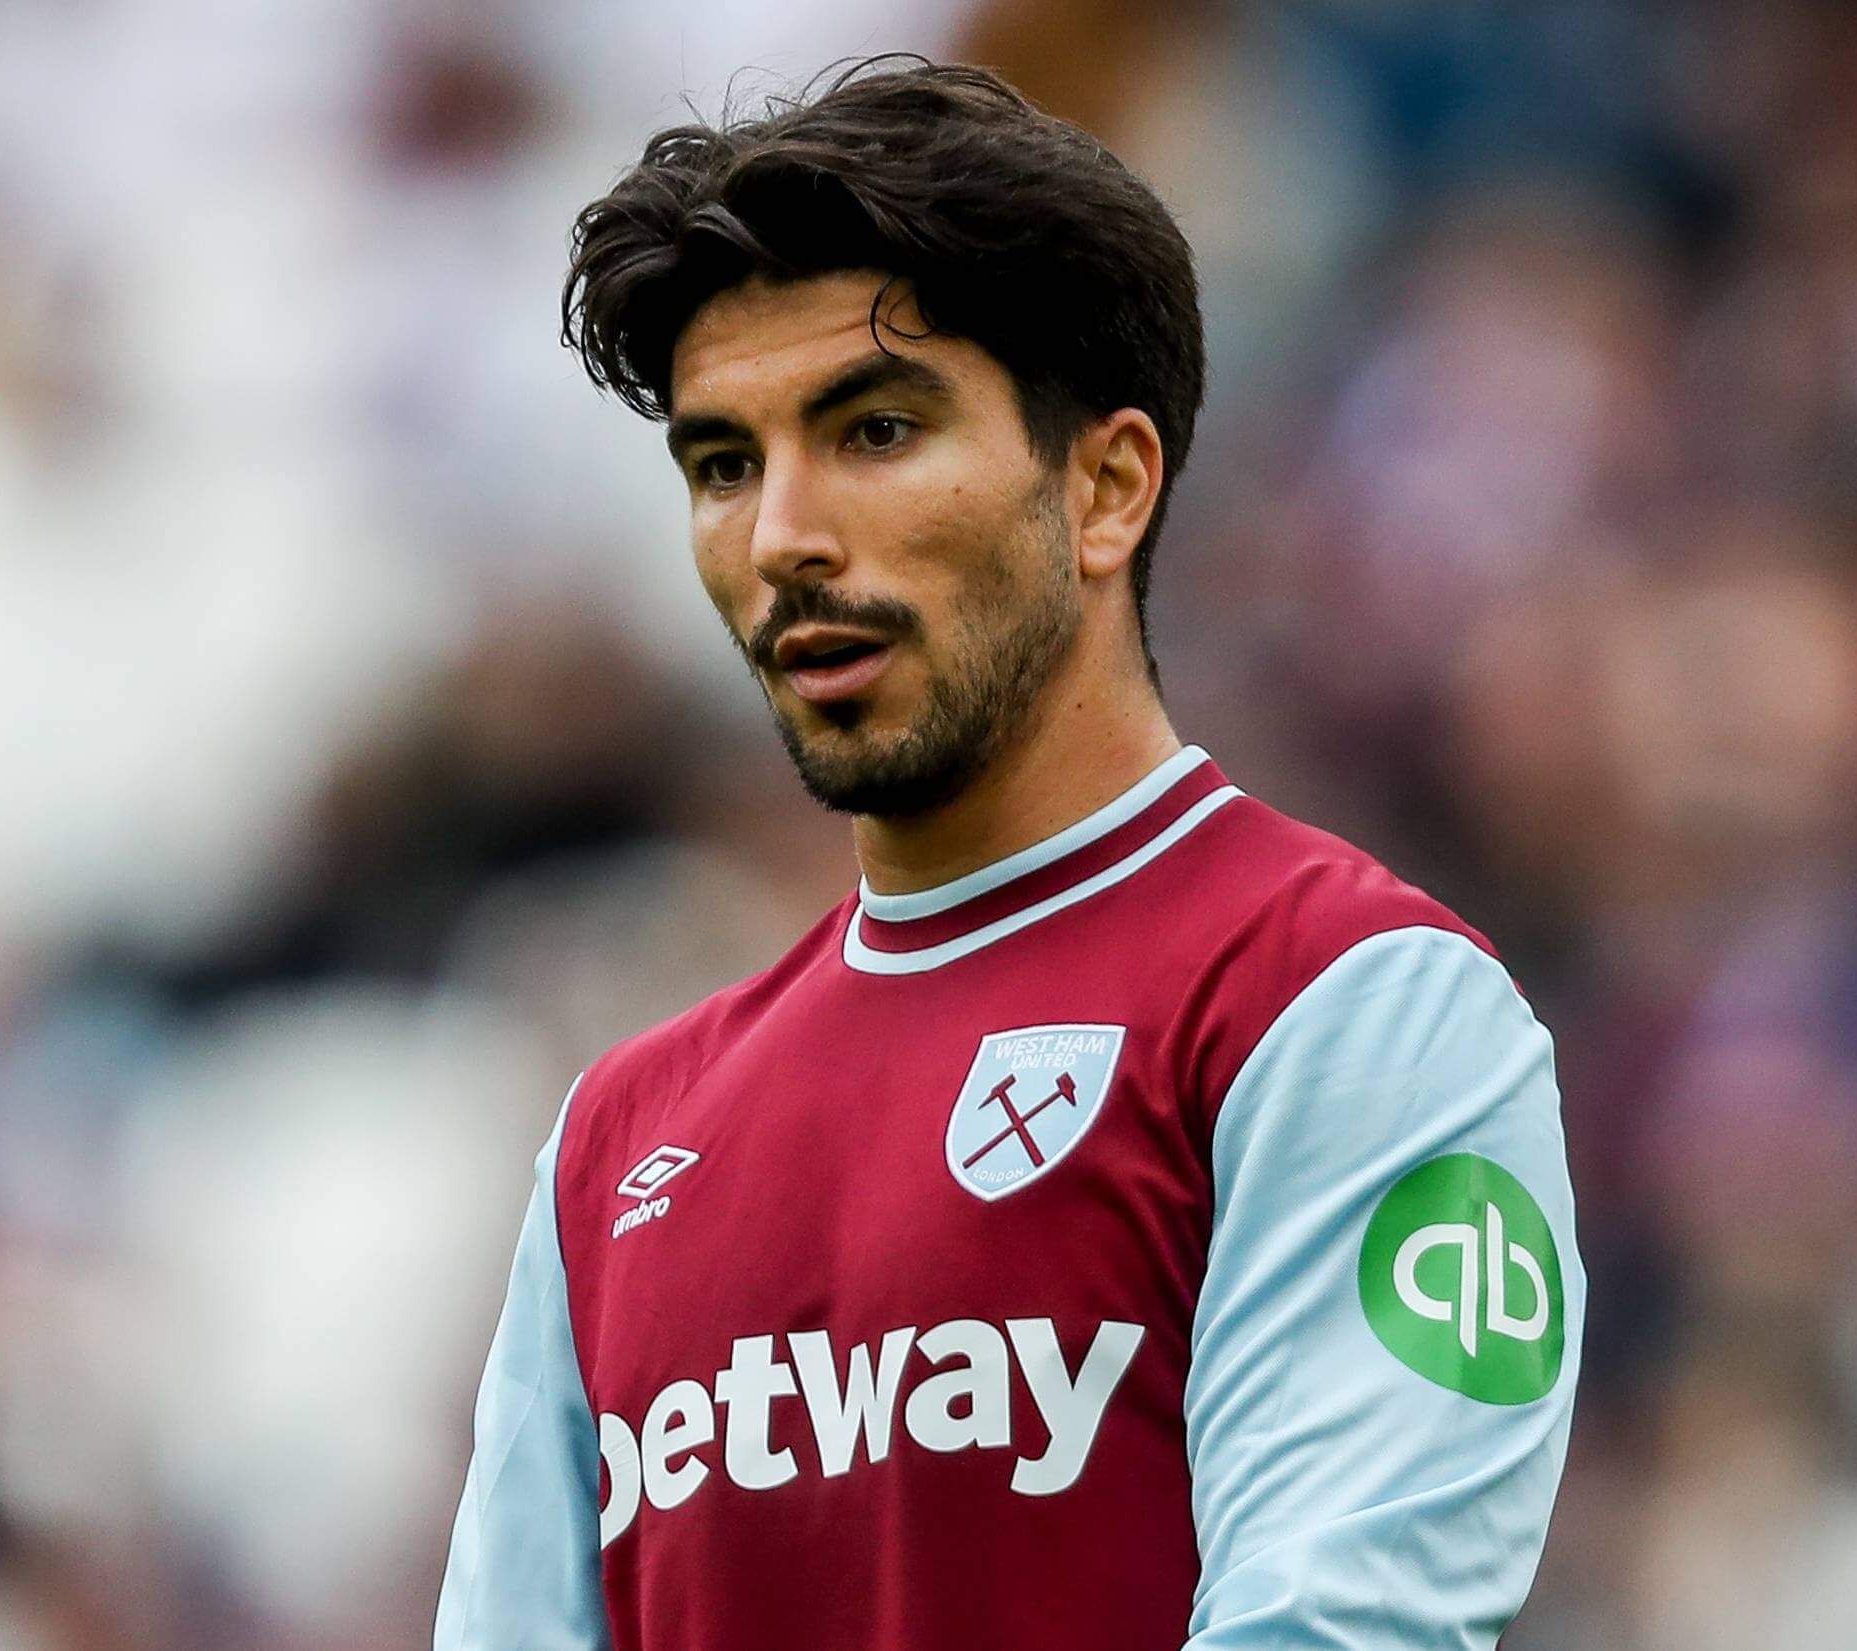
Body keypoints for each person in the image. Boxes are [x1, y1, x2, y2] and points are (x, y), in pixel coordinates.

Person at [435, 57, 1582, 1651]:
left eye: (873, 430)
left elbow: (1341, 1628)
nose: (781, 536)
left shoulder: (1348, 1003)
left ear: (1104, 488)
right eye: (723, 465)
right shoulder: (612, 1149)